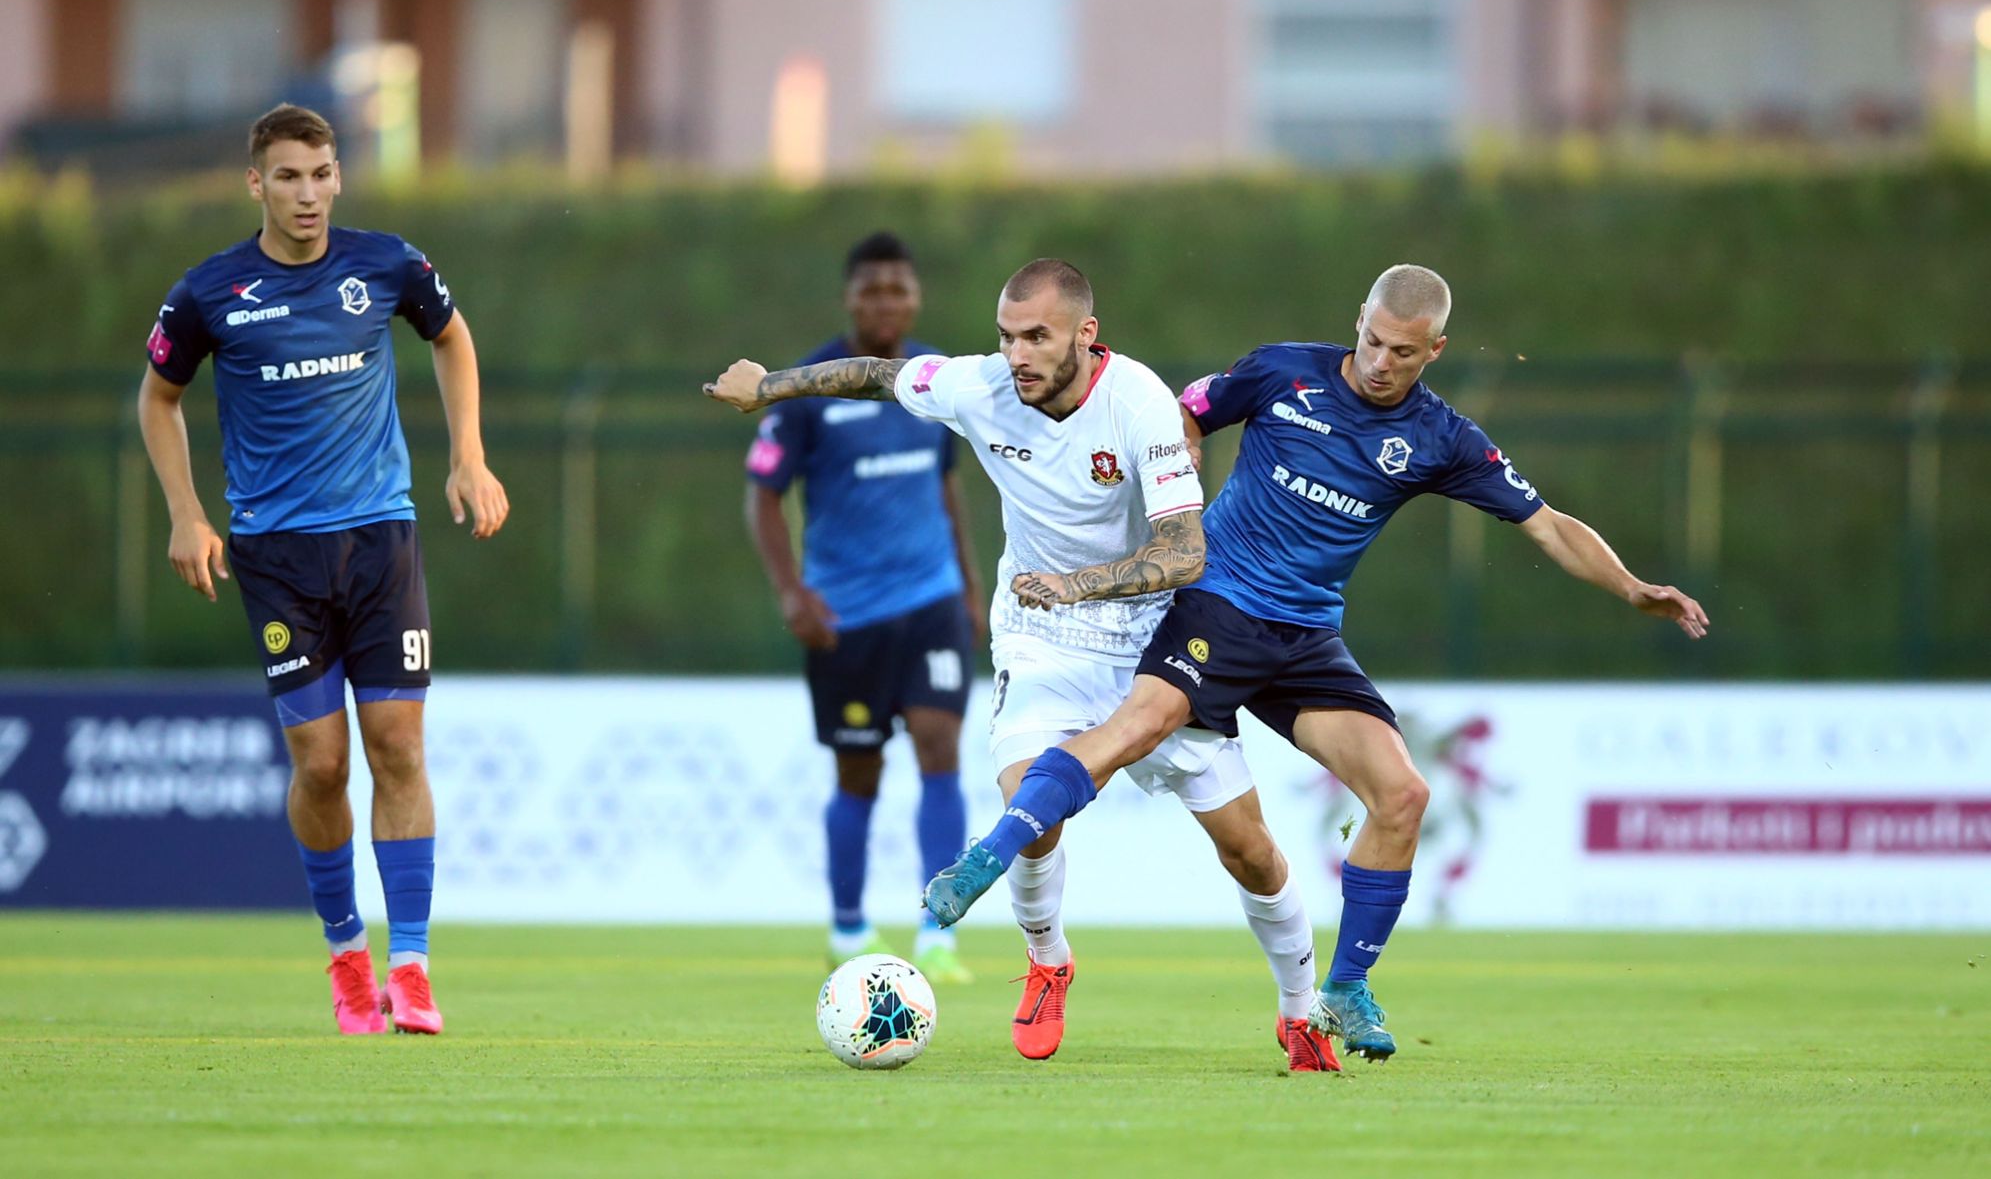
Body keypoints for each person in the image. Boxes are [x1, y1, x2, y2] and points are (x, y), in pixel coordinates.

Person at [923, 263, 1710, 1063]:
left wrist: (1632, 587)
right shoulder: (1281, 370)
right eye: (1370, 339)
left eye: (1401, 352)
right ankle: (986, 860)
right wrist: (1175, 476)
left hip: (1303, 637)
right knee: (1140, 723)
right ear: (1358, 319)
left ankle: (1340, 989)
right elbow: (1182, 414)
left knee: (1397, 795)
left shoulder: (1441, 439)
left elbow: (1547, 525)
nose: (1377, 361)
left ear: (1431, 350)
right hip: (1215, 606)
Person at [708, 259, 1342, 1072]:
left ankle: (1299, 1008)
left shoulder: (1140, 403)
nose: (1018, 354)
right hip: (1042, 637)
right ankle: (1047, 961)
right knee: (1028, 803)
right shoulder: (981, 385)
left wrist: (1080, 583)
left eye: (1037, 336)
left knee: (1246, 847)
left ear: (1085, 333)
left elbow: (1185, 552)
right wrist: (771, 386)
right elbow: (875, 373)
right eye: (1007, 336)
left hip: (1150, 639)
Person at [136, 103, 509, 1035]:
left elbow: (452, 338)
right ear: (255, 183)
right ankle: (347, 952)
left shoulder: (387, 265)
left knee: (399, 748)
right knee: (321, 762)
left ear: (340, 177)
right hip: (276, 556)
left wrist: (468, 454)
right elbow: (159, 398)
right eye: (289, 176)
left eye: (323, 173)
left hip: (382, 539)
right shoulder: (209, 293)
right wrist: (187, 514)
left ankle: (412, 967)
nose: (308, 193)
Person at [744, 231, 985, 981]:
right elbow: (761, 495)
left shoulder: (932, 380)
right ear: (848, 297)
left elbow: (946, 484)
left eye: (899, 289)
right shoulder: (810, 389)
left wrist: (972, 586)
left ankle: (937, 931)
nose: (886, 301)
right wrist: (791, 591)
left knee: (940, 748)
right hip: (845, 616)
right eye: (871, 289)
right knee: (859, 773)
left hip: (931, 601)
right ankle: (848, 924)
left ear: (915, 298)